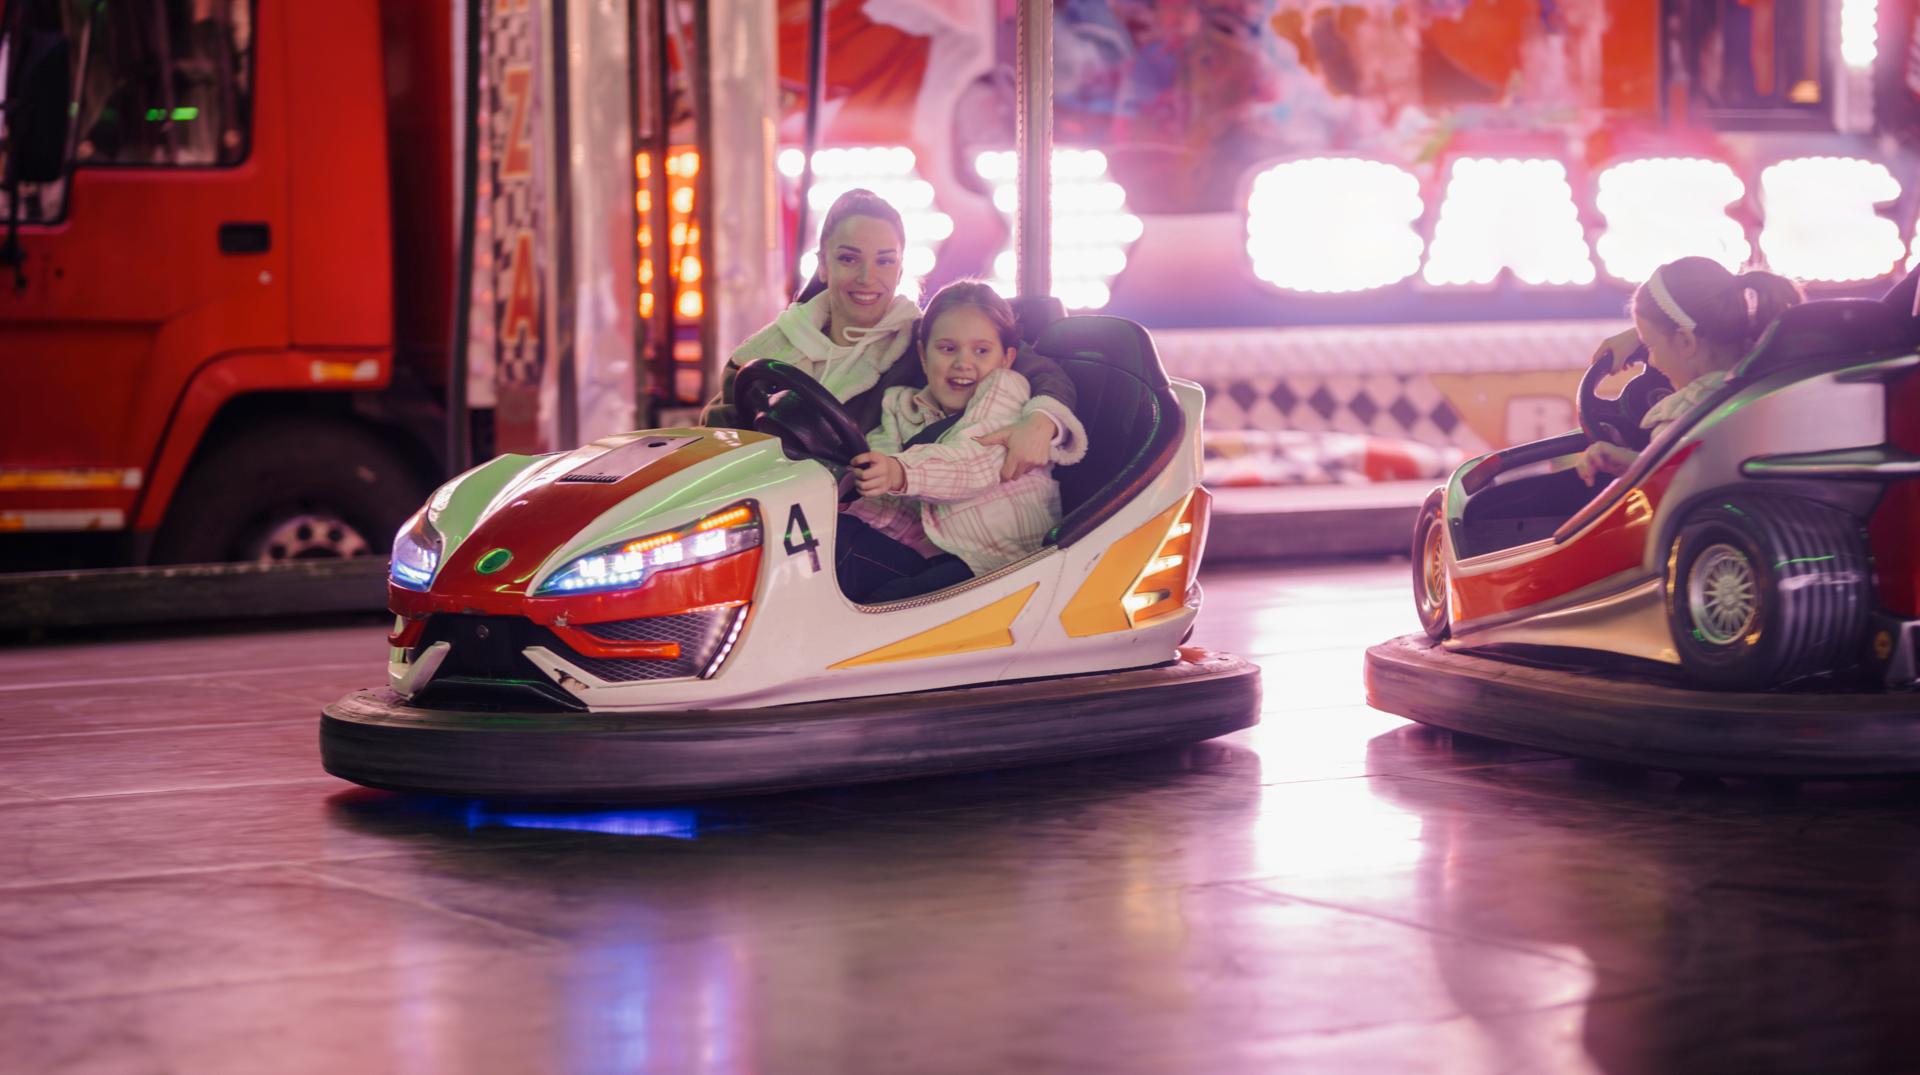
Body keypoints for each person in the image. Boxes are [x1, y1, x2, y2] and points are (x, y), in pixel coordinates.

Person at [701, 188, 1086, 478]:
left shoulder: (924, 343)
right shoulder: (772, 349)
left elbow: (1040, 370)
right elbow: (716, 431)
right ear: (823, 265)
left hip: (848, 513)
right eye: (849, 259)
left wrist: (1041, 422)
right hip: (761, 500)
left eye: (884, 261)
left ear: (900, 270)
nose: (867, 278)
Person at [837, 281, 1085, 603]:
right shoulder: (899, 405)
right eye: (947, 349)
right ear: (923, 357)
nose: (963, 363)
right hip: (930, 550)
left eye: (981, 351)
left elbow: (972, 465)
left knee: (881, 602)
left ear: (1007, 358)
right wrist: (845, 498)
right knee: (829, 544)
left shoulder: (1007, 391)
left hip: (998, 563)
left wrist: (899, 472)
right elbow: (881, 477)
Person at [1574, 256, 1804, 485]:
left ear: (1685, 341)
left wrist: (1636, 467)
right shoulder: (1775, 379)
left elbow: (1676, 489)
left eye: (1651, 346)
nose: (1651, 360)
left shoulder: (1683, 419)